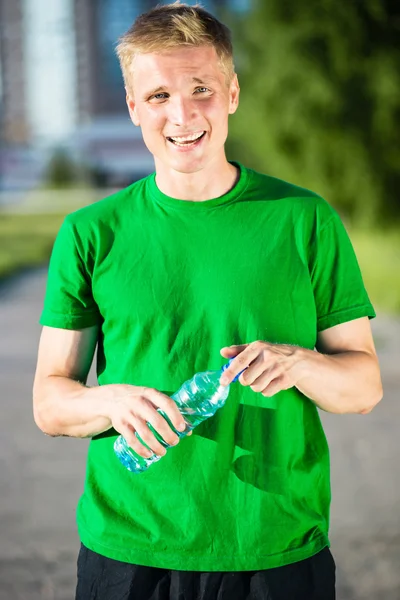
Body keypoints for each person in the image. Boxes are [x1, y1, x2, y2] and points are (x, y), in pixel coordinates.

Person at [33, 3, 383, 599]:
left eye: (201, 89)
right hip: (128, 549)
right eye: (160, 95)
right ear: (133, 107)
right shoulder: (91, 232)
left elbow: (365, 387)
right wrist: (110, 401)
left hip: (275, 546)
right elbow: (50, 401)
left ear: (232, 94)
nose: (183, 114)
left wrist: (302, 364)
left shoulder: (303, 219)